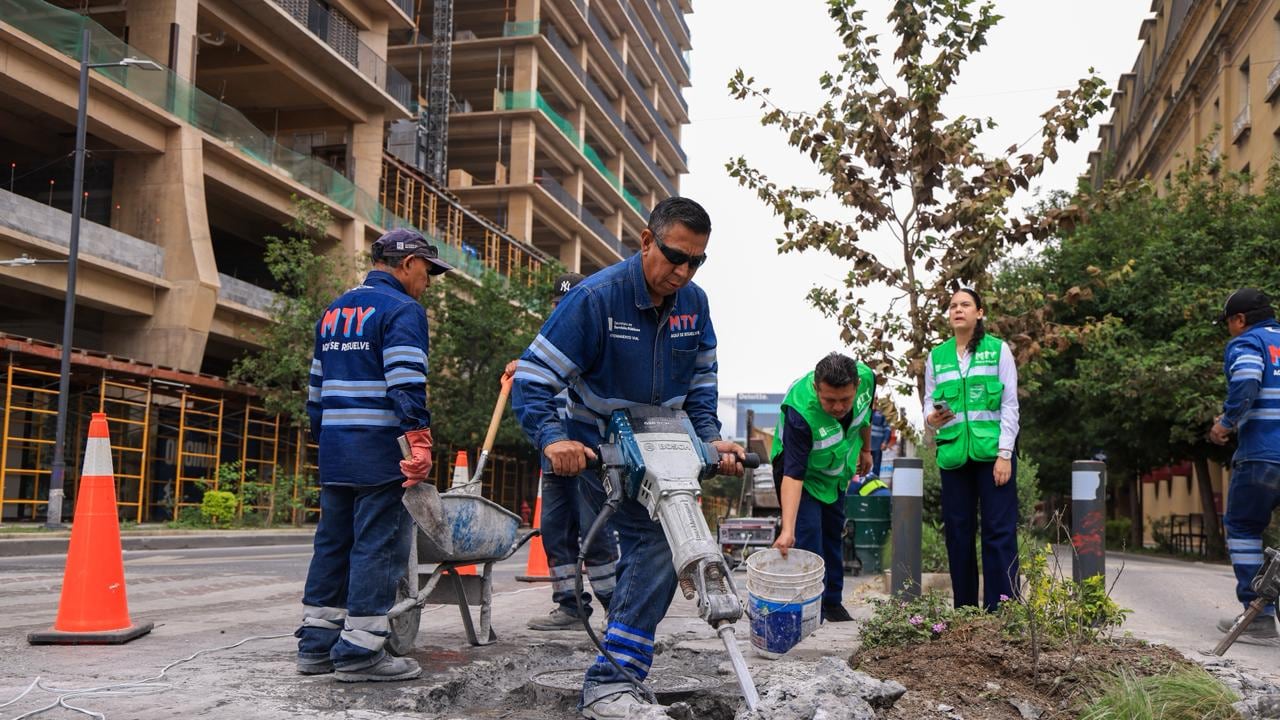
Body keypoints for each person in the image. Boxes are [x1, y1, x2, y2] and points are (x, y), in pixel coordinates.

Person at [511, 197, 746, 719]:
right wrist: (553, 439)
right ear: (646, 241)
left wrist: (711, 439)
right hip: (602, 445)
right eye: (674, 256)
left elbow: (702, 383)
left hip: (664, 443)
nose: (683, 272)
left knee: (662, 551)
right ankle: (610, 682)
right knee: (656, 547)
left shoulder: (695, 304)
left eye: (696, 262)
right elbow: (532, 377)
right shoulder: (597, 299)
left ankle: (617, 667)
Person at [295, 228, 452, 682]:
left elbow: (315, 392)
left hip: (337, 450)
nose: (429, 280)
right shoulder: (402, 309)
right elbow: (405, 382)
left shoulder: (334, 311)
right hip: (381, 450)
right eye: (427, 270)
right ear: (406, 264)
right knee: (378, 547)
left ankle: (317, 644)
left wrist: (326, 443)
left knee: (332, 543)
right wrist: (418, 441)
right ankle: (362, 652)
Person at [502, 272, 619, 631]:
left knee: (595, 532)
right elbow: (535, 387)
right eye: (559, 304)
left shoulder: (595, 341)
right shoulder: (546, 345)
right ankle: (570, 605)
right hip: (553, 457)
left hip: (588, 454)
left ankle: (616, 608)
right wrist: (521, 368)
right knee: (555, 531)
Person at [924, 288, 1020, 612]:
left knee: (999, 533)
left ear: (979, 313)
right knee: (958, 536)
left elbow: (1009, 406)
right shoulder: (937, 356)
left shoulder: (998, 350)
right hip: (954, 457)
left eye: (965, 305)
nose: (958, 310)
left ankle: (1003, 609)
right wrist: (931, 417)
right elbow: (928, 399)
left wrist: (1005, 454)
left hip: (993, 456)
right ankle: (965, 611)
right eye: (953, 306)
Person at [769, 353, 875, 622]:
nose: (839, 407)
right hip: (799, 474)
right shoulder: (800, 413)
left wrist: (866, 448)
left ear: (856, 386)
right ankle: (808, 610)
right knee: (808, 538)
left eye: (845, 400)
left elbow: (866, 414)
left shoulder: (867, 380)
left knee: (832, 533)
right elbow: (793, 474)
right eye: (829, 400)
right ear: (817, 388)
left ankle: (832, 603)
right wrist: (787, 530)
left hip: (835, 471)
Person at [1209, 288, 1280, 642]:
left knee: (1243, 526)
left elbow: (1248, 378)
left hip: (1264, 455)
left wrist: (1226, 422)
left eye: (1228, 323)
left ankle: (1259, 617)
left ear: (1239, 319)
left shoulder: (1248, 343)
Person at [868, 408, 890, 479]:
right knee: (863, 465)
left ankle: (874, 482)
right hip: (866, 444)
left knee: (876, 466)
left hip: (878, 445)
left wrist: (885, 442)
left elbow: (887, 429)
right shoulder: (867, 410)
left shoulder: (883, 413)